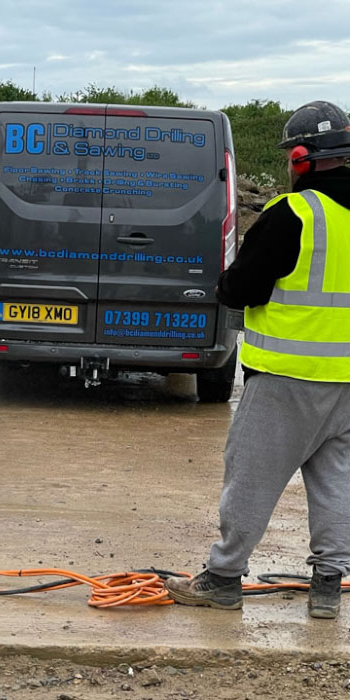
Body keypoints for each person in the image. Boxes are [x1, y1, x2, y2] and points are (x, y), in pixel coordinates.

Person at [165, 101, 350, 619]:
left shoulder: (293, 214)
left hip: (287, 378)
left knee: (250, 477)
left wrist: (224, 282)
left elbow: (241, 289)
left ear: (300, 158)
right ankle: (328, 588)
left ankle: (223, 578)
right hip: (348, 384)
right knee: (338, 482)